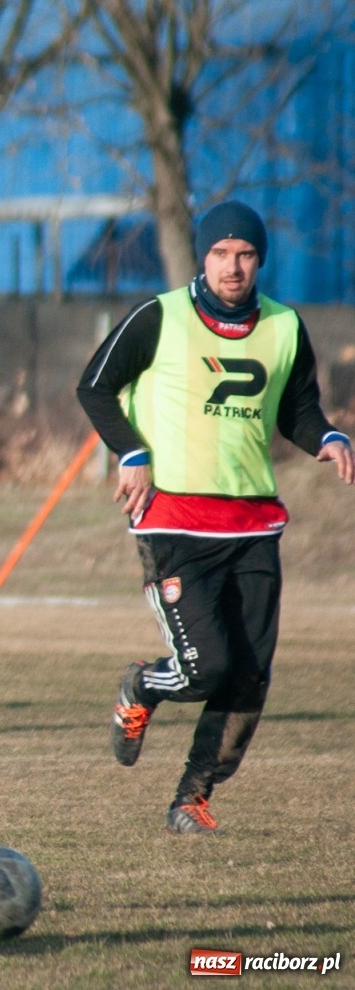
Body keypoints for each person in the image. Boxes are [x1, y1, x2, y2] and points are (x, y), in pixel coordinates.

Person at [77, 200, 353, 835]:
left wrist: (327, 439)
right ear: (204, 257)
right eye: (221, 254)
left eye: (246, 254)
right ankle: (144, 687)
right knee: (205, 667)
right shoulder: (160, 316)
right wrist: (133, 451)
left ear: (260, 260)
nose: (233, 266)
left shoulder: (284, 325)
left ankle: (191, 800)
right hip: (172, 516)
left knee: (250, 674)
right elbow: (93, 385)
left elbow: (298, 408)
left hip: (253, 522)